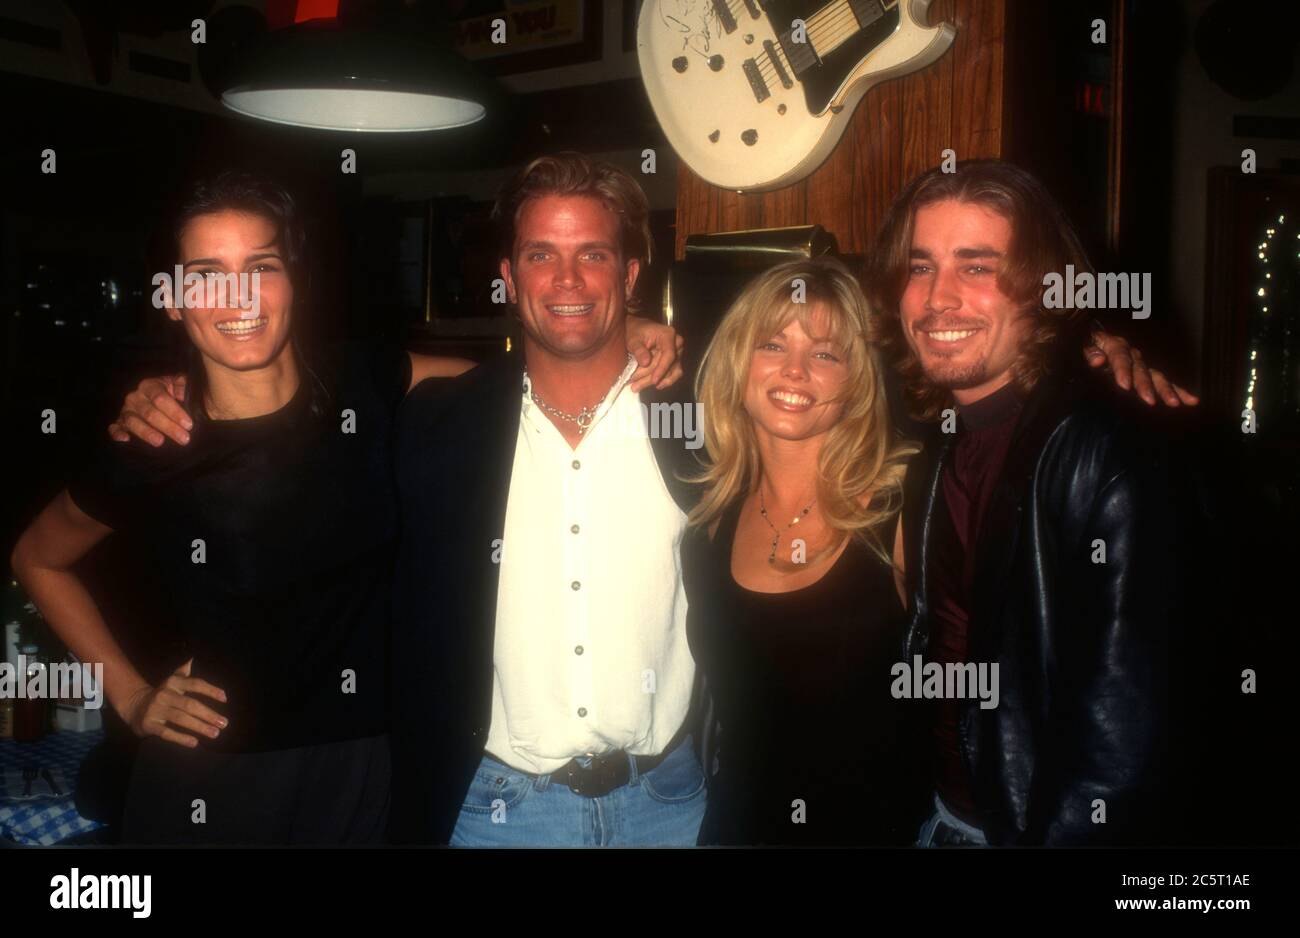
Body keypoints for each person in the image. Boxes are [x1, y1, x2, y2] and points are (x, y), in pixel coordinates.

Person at [11, 168, 681, 844]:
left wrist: (627, 328)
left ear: (293, 283)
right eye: (207, 273)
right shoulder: (159, 435)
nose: (238, 294)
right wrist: (129, 695)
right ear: (175, 300)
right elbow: (37, 559)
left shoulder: (365, 383)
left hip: (370, 777)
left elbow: (512, 379)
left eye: (262, 265)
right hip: (213, 784)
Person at [869, 159, 1192, 846]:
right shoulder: (928, 431)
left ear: (1042, 290)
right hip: (937, 818)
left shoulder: (1105, 452)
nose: (938, 299)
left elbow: (1123, 742)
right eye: (921, 267)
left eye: (977, 267)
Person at [680, 256, 928, 845]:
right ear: (738, 363)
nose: (795, 371)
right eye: (772, 345)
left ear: (856, 381)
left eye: (824, 354)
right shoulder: (707, 524)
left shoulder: (905, 509)